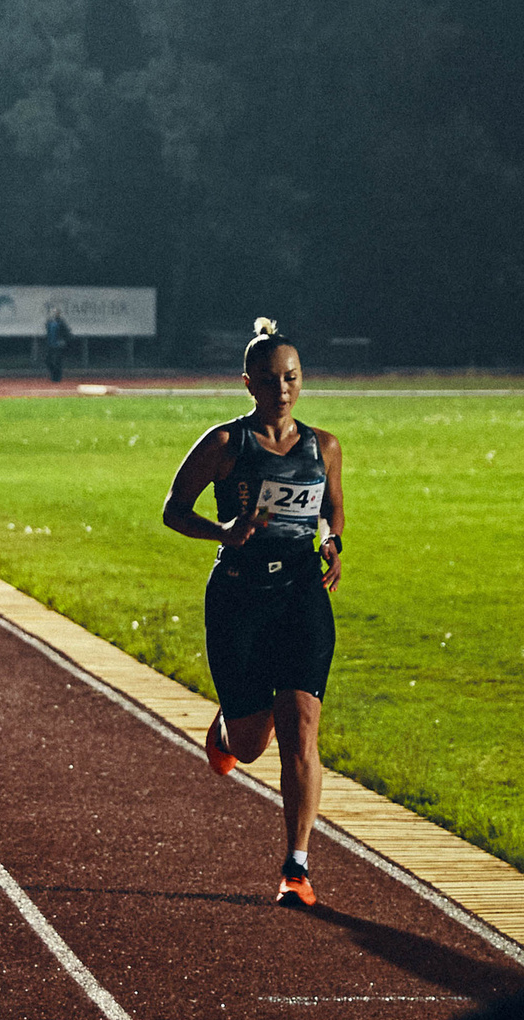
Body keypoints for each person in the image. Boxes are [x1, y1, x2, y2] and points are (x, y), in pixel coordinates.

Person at [159, 317, 345, 907]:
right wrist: (225, 531)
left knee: (302, 731)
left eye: (291, 377)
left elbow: (332, 511)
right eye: (269, 380)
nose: (282, 389)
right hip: (239, 596)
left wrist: (332, 542)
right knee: (249, 744)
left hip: (300, 597)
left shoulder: (325, 447)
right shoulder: (224, 445)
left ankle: (297, 866)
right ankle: (226, 727)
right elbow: (172, 509)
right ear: (248, 383)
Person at [43, 306, 71, 383]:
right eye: (53, 312)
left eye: (56, 312)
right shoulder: (50, 322)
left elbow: (67, 333)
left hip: (59, 345)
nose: (54, 314)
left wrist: (64, 341)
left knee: (58, 361)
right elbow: (48, 332)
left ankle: (57, 378)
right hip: (50, 344)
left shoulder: (61, 322)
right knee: (48, 360)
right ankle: (54, 374)